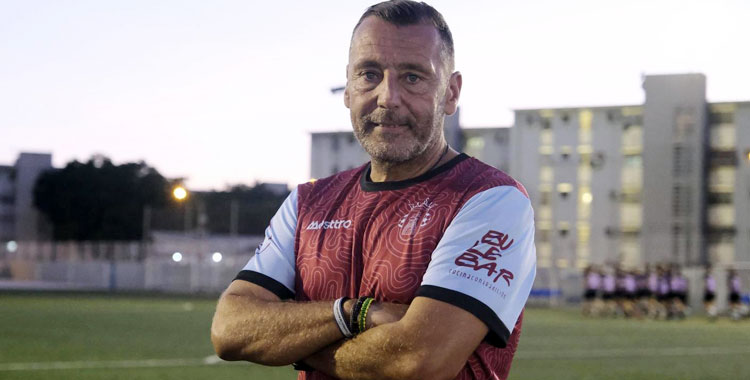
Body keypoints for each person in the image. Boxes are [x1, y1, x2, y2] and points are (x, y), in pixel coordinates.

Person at [210, 1, 537, 380]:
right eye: (369, 74)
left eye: (413, 77)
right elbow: (229, 329)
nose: (387, 97)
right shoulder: (308, 203)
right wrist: (355, 313)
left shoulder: (491, 198)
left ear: (450, 93)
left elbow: (417, 361)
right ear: (348, 89)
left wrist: (291, 340)